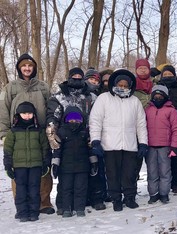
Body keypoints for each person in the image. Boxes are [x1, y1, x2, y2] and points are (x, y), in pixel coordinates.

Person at [0, 53, 55, 215]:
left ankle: (44, 203)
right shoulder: (11, 87)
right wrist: (4, 132)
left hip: (40, 134)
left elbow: (51, 108)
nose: (27, 68)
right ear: (19, 68)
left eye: (30, 66)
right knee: (20, 171)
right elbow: (3, 110)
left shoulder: (43, 87)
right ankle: (22, 206)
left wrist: (51, 128)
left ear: (34, 68)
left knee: (43, 168)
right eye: (24, 66)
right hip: (18, 134)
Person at [89, 69, 148, 211]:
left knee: (129, 174)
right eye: (120, 85)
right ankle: (116, 199)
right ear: (114, 84)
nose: (122, 87)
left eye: (125, 85)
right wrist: (95, 140)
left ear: (129, 86)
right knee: (112, 174)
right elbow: (95, 120)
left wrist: (143, 143)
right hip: (110, 144)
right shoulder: (104, 99)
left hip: (129, 144)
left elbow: (141, 124)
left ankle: (129, 197)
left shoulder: (135, 102)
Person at [46, 67, 103, 213]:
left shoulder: (92, 97)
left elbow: (99, 116)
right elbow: (53, 116)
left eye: (80, 76)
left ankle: (92, 200)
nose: (77, 78)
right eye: (74, 76)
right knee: (66, 176)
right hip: (66, 139)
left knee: (90, 170)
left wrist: (96, 136)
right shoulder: (59, 96)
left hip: (87, 138)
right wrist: (53, 136)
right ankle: (63, 204)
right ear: (69, 77)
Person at [3, 102, 49, 222]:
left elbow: (45, 148)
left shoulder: (39, 130)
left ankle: (34, 212)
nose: (27, 116)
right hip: (19, 166)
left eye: (29, 113)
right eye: (24, 113)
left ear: (33, 115)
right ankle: (22, 212)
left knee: (34, 189)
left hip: (36, 165)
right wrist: (8, 165)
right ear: (18, 115)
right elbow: (8, 149)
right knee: (21, 190)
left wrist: (45, 163)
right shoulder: (13, 131)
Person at [52, 107, 96, 218]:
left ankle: (79, 208)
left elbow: (90, 149)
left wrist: (94, 162)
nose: (74, 122)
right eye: (71, 120)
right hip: (66, 168)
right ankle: (66, 208)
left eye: (77, 119)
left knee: (80, 188)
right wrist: (55, 164)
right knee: (66, 188)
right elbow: (57, 150)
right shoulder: (61, 132)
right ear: (66, 120)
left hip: (82, 167)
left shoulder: (84, 132)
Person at [145, 85, 177, 204]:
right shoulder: (148, 110)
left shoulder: (171, 111)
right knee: (152, 172)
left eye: (161, 96)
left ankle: (164, 193)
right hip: (150, 146)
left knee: (165, 172)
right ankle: (153, 193)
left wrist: (174, 146)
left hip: (165, 146)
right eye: (156, 96)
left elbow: (176, 129)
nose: (158, 98)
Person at [156, 65, 177, 194]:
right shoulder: (158, 87)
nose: (168, 76)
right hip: (161, 127)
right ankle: (163, 181)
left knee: (175, 154)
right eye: (165, 74)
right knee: (162, 155)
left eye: (170, 74)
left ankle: (176, 182)